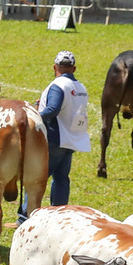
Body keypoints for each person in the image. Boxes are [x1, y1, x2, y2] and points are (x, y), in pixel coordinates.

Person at [37, 51, 90, 210]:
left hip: (55, 138)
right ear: (73, 69)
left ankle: (25, 216)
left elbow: (52, 110)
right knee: (61, 179)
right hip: (72, 139)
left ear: (55, 67)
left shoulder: (58, 85)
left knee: (38, 179)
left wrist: (33, 116)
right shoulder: (81, 87)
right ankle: (59, 212)